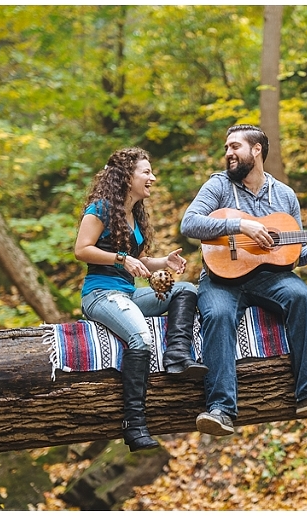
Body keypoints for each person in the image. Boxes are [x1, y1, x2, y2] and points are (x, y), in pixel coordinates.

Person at [181, 124, 307, 436]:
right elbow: (189, 224)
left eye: (235, 147)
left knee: (300, 295)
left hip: (270, 277)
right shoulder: (218, 185)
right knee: (217, 315)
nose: (228, 154)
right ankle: (220, 408)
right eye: (226, 148)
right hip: (220, 278)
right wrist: (240, 225)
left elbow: (292, 254)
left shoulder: (284, 195)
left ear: (256, 150)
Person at [74, 147, 207, 452]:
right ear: (126, 176)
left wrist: (163, 263)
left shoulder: (134, 214)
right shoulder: (100, 209)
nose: (152, 178)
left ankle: (177, 357)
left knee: (185, 290)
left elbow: (138, 261)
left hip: (129, 294)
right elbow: (82, 249)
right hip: (100, 294)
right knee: (140, 338)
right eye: (146, 172)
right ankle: (133, 424)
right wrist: (121, 258)